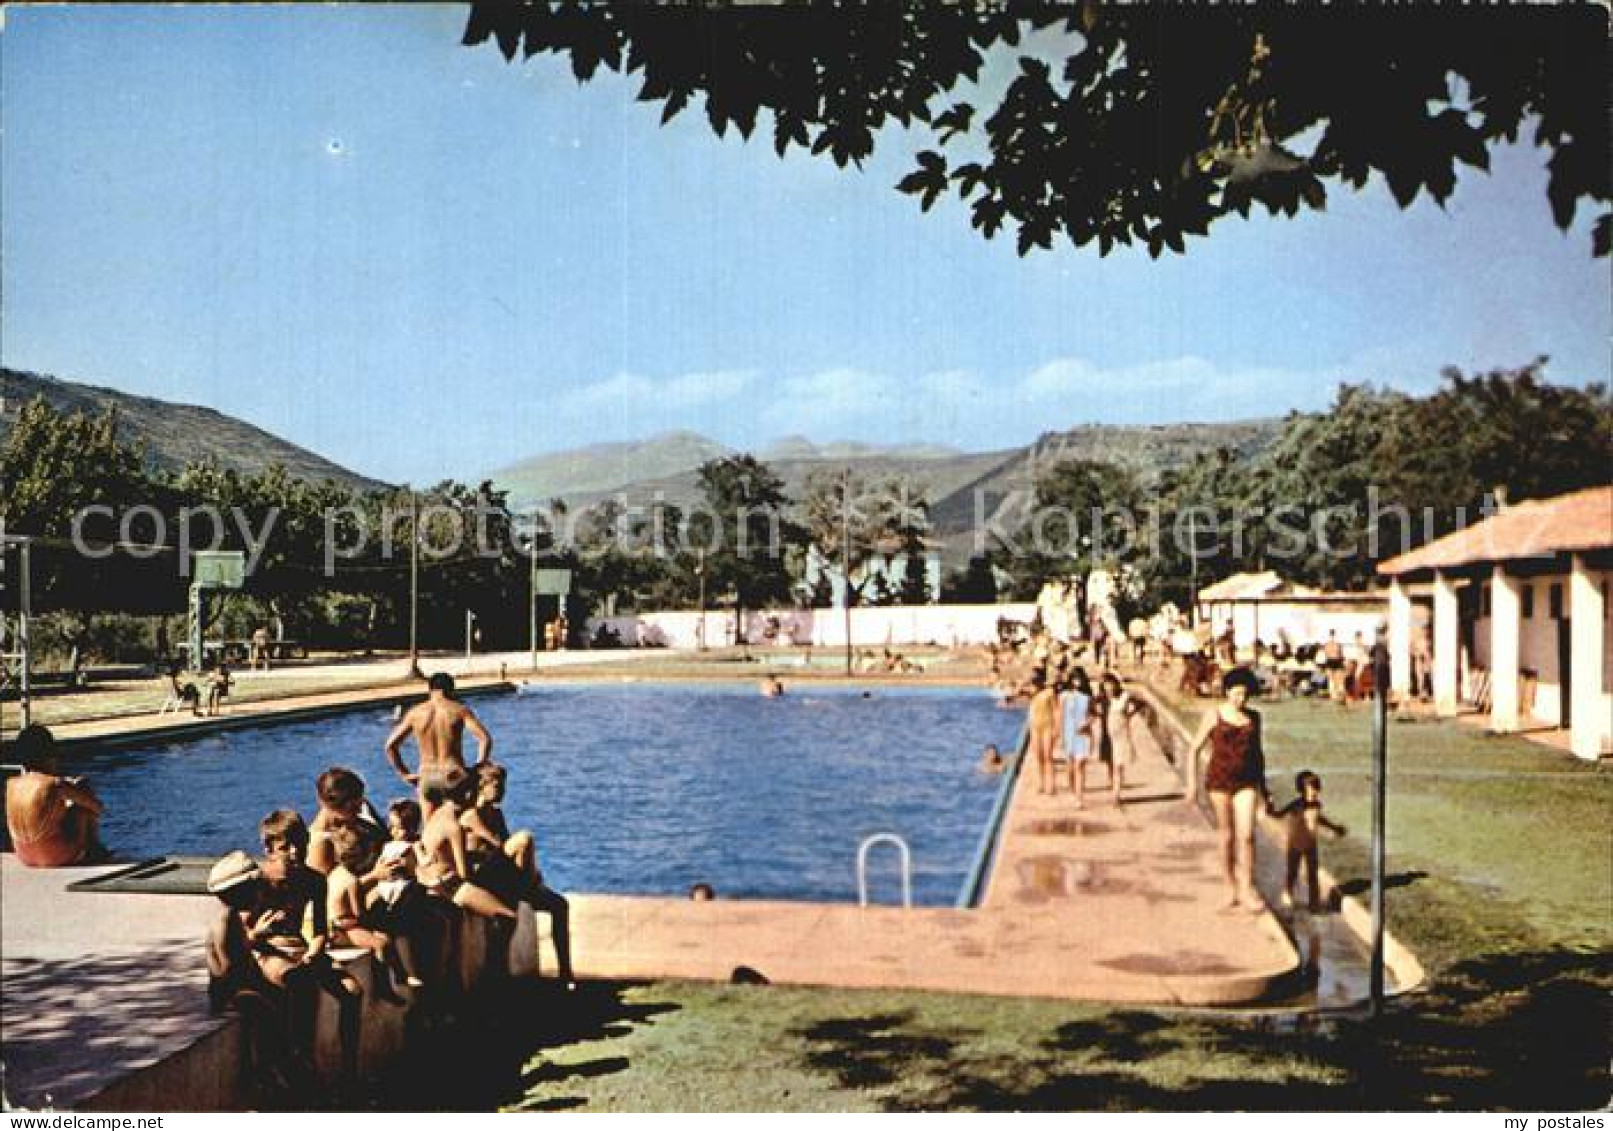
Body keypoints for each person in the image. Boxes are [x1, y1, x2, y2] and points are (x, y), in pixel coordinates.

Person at [461, 762, 576, 988]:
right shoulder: (470, 815)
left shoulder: (496, 814)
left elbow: (506, 850)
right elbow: (498, 845)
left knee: (559, 905)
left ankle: (565, 972)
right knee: (524, 838)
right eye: (497, 786)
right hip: (483, 877)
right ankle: (528, 885)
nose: (502, 791)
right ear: (481, 786)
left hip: (503, 874)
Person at [1186, 668, 1271, 913]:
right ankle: (1229, 886)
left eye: (1244, 694)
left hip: (1247, 781)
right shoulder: (1214, 715)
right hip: (1219, 781)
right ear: (1226, 692)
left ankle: (1246, 888)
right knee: (1226, 835)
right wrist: (1191, 784)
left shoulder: (1254, 718)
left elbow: (1258, 755)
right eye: (1235, 694)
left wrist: (1264, 791)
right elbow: (1194, 749)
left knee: (1247, 836)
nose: (1240, 699)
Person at [417, 769, 517, 922]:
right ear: (468, 794)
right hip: (451, 888)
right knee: (509, 918)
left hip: (430, 879)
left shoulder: (435, 816)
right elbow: (464, 874)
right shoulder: (454, 826)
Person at [384, 672, 493, 811]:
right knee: (463, 823)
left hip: (427, 776)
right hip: (453, 774)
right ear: (451, 690)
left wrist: (404, 774)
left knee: (429, 828)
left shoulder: (415, 713)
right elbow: (485, 738)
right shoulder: (459, 710)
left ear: (430, 690)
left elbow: (390, 746)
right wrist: (479, 765)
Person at [5, 724, 105, 867]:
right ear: (50, 755)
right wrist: (75, 788)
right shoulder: (56, 784)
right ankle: (95, 851)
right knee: (84, 796)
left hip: (24, 857)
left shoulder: (11, 784)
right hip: (57, 857)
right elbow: (98, 808)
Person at [1270, 771, 1347, 912]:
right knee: (1292, 872)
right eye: (1312, 788)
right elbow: (1279, 814)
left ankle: (1314, 902)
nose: (1315, 792)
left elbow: (1320, 819)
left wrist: (1335, 828)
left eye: (1317, 788)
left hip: (1311, 845)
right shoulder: (1297, 805)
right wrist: (1270, 807)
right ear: (1302, 789)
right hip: (1295, 844)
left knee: (1313, 874)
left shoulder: (1317, 805)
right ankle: (1287, 895)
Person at [307, 766, 387, 877]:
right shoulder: (319, 842)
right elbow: (326, 891)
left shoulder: (357, 823)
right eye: (354, 808)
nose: (359, 811)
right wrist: (376, 875)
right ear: (333, 804)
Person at [1100, 672, 1145, 805]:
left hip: (1121, 734)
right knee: (1112, 763)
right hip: (1108, 734)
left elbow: (1141, 703)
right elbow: (1093, 708)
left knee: (1118, 764)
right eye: (1106, 685)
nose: (1109, 688)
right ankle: (1114, 787)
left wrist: (1129, 714)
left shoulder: (1124, 697)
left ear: (1115, 684)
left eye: (1110, 685)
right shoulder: (1103, 698)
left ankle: (1116, 795)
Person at [1058, 669, 1094, 807]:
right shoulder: (1064, 696)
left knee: (1080, 766)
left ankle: (1080, 797)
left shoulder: (1088, 697)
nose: (1077, 682)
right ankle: (1073, 791)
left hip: (1083, 733)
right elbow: (1061, 716)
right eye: (1074, 679)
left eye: (1079, 679)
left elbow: (1094, 714)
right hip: (1069, 733)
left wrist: (1087, 723)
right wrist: (1061, 736)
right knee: (1070, 767)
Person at [1025, 671, 1062, 796]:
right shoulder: (1031, 693)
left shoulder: (1049, 692)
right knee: (1038, 756)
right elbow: (1014, 695)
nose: (1034, 683)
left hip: (1047, 725)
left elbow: (1056, 709)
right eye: (1033, 681)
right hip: (1035, 726)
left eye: (1036, 680)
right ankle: (1040, 783)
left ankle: (1051, 784)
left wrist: (1057, 728)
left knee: (1048, 756)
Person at [1322, 631, 1346, 703]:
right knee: (1332, 679)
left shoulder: (1335, 644)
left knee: (1336, 679)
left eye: (1333, 635)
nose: (1332, 637)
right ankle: (1334, 695)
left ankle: (1338, 694)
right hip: (1331, 661)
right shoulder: (1328, 644)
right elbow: (1327, 653)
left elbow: (1340, 654)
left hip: (1335, 661)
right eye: (1332, 635)